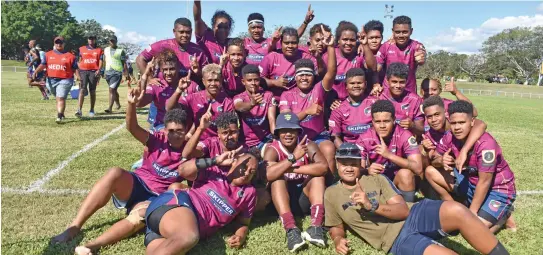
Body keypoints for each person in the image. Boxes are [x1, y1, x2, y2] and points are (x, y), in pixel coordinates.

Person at [51, 87, 189, 254]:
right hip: (137, 184)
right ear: (164, 130)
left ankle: (92, 245)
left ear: (187, 131)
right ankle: (74, 227)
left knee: (140, 215)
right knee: (115, 173)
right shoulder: (157, 139)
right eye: (170, 131)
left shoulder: (191, 150)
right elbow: (132, 127)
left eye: (179, 131)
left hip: (156, 197)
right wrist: (131, 104)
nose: (174, 135)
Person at [325, 142, 510, 255]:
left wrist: (371, 205)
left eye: (353, 164)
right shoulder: (331, 194)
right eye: (344, 164)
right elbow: (335, 225)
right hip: (396, 239)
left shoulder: (376, 179)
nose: (348, 168)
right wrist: (338, 239)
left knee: (459, 211)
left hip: (413, 214)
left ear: (361, 164)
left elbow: (403, 210)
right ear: (337, 164)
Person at [144, 151, 258, 254]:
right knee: (188, 237)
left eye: (251, 171)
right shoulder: (216, 171)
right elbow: (182, 170)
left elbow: (243, 223)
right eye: (244, 167)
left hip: (170, 227)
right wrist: (215, 160)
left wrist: (240, 235)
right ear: (234, 162)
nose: (247, 173)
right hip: (177, 204)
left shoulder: (249, 193)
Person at [430, 100, 516, 233]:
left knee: (473, 231)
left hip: (497, 190)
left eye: (462, 123)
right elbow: (433, 159)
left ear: (472, 122)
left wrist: (470, 215)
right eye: (453, 123)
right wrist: (441, 160)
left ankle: (503, 216)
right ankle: (454, 206)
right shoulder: (450, 136)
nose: (457, 127)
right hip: (471, 183)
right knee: (430, 171)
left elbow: (485, 181)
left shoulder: (486, 144)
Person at [263, 113, 328, 252]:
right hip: (281, 202)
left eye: (292, 130)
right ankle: (291, 229)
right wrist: (293, 158)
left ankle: (316, 227)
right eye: (283, 130)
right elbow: (268, 174)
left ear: (298, 131)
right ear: (278, 133)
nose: (288, 134)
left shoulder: (307, 144)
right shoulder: (272, 149)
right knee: (277, 179)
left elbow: (323, 167)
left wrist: (292, 167)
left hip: (304, 198)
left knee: (317, 177)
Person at [278, 29, 337, 176]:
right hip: (296, 138)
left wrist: (330, 47)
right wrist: (307, 112)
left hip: (318, 136)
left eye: (308, 75)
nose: (304, 78)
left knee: (329, 148)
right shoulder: (287, 95)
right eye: (301, 75)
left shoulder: (318, 89)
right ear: (296, 77)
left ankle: (329, 188)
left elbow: (331, 73)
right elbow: (286, 122)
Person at [356, 100, 422, 202]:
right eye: (378, 122)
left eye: (386, 121)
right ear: (372, 122)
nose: (382, 126)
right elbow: (356, 170)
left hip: (397, 180)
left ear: (394, 120)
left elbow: (418, 168)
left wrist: (389, 155)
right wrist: (367, 170)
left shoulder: (404, 135)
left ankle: (408, 208)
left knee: (406, 174)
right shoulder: (364, 138)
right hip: (375, 180)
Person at [166, 63, 234, 141]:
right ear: (203, 81)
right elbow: (169, 108)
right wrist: (179, 90)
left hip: (217, 142)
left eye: (216, 80)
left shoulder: (228, 102)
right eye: (209, 80)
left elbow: (228, 131)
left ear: (221, 81)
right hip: (195, 141)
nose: (213, 84)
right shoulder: (194, 97)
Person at [259, 27, 321, 101]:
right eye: (286, 43)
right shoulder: (271, 57)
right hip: (273, 103)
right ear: (281, 43)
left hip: (297, 103)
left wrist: (318, 58)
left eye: (294, 43)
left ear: (298, 43)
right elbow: (258, 80)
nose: (290, 46)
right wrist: (274, 82)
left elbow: (321, 74)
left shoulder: (306, 57)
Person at [328, 21, 376, 101]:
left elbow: (373, 68)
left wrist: (365, 44)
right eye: (345, 39)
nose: (349, 43)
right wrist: (330, 99)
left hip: (357, 101)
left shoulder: (359, 53)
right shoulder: (329, 55)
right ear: (338, 40)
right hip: (334, 102)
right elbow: (322, 81)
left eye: (352, 40)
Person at [33, 36, 78, 123]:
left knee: (60, 97)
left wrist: (79, 77)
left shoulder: (70, 56)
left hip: (65, 80)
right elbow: (43, 65)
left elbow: (75, 68)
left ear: (64, 44)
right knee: (58, 97)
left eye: (61, 42)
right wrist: (36, 72)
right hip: (51, 80)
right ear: (54, 44)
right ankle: (62, 112)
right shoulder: (48, 54)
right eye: (57, 42)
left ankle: (59, 116)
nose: (59, 44)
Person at [329, 68, 378, 147]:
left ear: (365, 84)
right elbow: (335, 137)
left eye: (359, 83)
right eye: (352, 83)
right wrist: (346, 151)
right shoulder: (338, 108)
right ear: (346, 86)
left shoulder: (375, 103)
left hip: (373, 149)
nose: (356, 86)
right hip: (351, 151)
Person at [377, 16, 426, 94]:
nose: (401, 35)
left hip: (409, 93)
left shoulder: (416, 46)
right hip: (387, 94)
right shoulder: (386, 46)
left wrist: (421, 59)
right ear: (393, 31)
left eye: (405, 32)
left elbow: (421, 59)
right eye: (397, 32)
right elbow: (376, 69)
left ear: (411, 31)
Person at [233, 64, 276, 151]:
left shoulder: (268, 95)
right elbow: (239, 107)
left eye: (256, 80)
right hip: (246, 143)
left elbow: (272, 120)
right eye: (249, 80)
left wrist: (275, 139)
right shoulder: (238, 97)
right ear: (243, 82)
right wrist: (252, 104)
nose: (253, 83)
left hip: (265, 140)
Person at [379, 62, 424, 136]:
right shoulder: (379, 97)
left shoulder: (415, 100)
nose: (398, 86)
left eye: (402, 82)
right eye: (394, 82)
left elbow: (422, 130)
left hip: (406, 142)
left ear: (406, 81)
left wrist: (412, 126)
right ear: (387, 81)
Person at [193, 0, 234, 64]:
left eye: (226, 27)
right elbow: (197, 18)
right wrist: (197, 2)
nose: (222, 30)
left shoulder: (232, 44)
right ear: (213, 26)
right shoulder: (206, 37)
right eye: (219, 27)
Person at [76, 34, 103, 118]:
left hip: (93, 72)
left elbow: (101, 60)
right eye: (89, 39)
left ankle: (92, 109)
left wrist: (99, 69)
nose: (91, 40)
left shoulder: (99, 50)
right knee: (82, 90)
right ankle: (79, 110)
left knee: (92, 91)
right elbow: (79, 60)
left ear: (95, 40)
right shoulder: (81, 49)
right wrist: (78, 70)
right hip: (83, 71)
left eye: (92, 39)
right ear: (87, 40)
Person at [103, 35, 130, 113]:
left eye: (113, 41)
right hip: (108, 72)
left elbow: (124, 63)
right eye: (111, 41)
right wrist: (103, 71)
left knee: (111, 89)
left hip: (117, 72)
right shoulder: (106, 50)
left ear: (116, 41)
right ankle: (117, 103)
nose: (112, 42)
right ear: (109, 41)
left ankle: (109, 108)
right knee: (114, 90)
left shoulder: (120, 51)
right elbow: (105, 61)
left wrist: (126, 73)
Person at [362, 20, 385, 90]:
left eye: (377, 37)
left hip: (383, 92)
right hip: (364, 93)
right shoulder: (360, 50)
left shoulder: (386, 49)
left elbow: (377, 69)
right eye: (371, 38)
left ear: (382, 38)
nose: (374, 41)